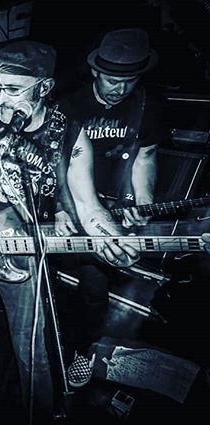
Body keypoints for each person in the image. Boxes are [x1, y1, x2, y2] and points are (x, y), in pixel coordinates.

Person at [0, 40, 139, 415]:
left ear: (44, 88)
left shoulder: (69, 135)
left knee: (33, 349)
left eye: (13, 89)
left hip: (22, 246)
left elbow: (88, 207)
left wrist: (112, 236)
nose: (1, 97)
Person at [58, 28, 163, 362]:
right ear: (95, 71)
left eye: (129, 81)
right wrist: (60, 208)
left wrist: (142, 200)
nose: (120, 89)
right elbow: (52, 166)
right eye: (112, 80)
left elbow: (145, 157)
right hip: (68, 205)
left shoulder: (147, 106)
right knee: (52, 282)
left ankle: (81, 351)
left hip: (111, 209)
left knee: (94, 287)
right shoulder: (68, 106)